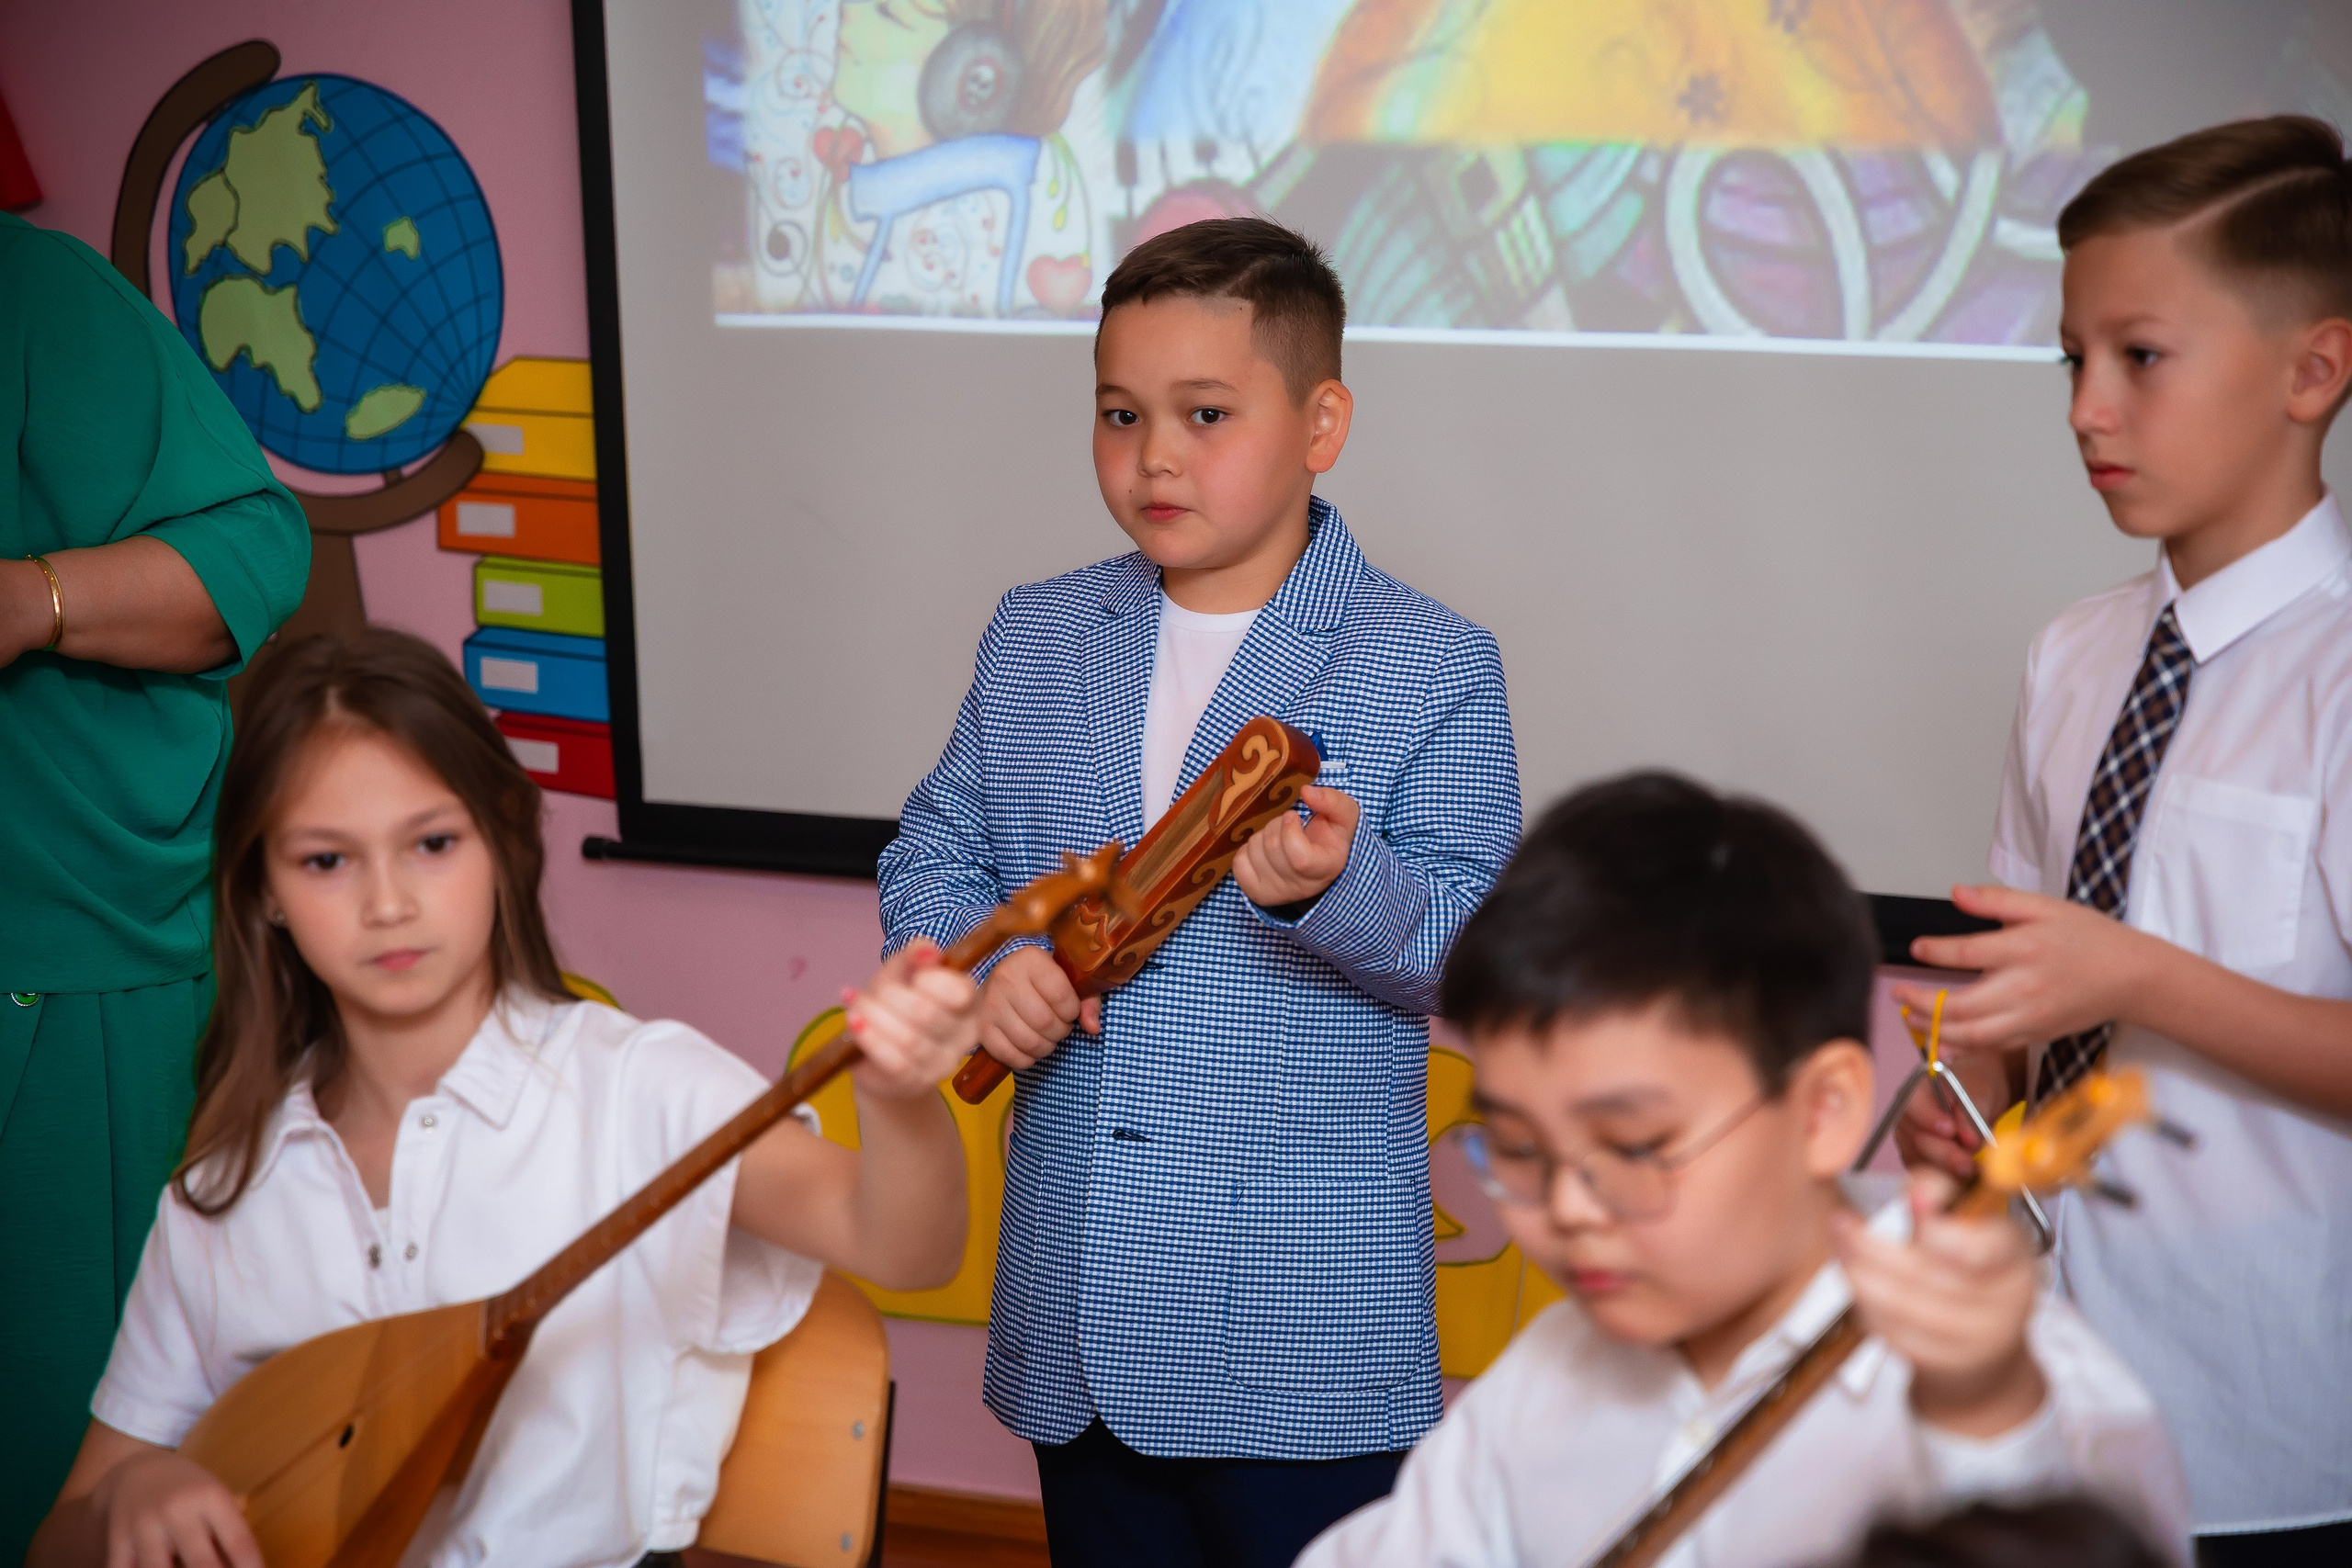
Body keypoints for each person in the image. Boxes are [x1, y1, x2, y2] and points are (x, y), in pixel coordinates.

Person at [26, 628, 978, 1568]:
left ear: (504, 839)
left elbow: (904, 1246)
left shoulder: (638, 1092)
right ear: (262, 889)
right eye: (326, 861)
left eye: (432, 843)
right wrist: (128, 1495)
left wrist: (897, 1099)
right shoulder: (224, 1192)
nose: (388, 902)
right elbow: (59, 1537)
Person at [876, 216, 1521, 1566]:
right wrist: (994, 974)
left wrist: (1335, 887)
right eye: (1120, 412)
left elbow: (1487, 956)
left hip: (1306, 1340)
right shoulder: (1039, 629)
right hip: (1077, 1313)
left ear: (1322, 420)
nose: (1154, 453)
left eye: (1205, 412)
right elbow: (932, 852)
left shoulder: (1435, 661)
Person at [1299, 773, 2189, 1568]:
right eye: (1521, 1151)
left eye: (1634, 1147)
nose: (1567, 1209)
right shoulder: (1547, 1377)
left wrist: (1985, 1427)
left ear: (1823, 1110)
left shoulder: (2031, 1395)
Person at [1888, 116, 2352, 1565]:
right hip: (2042, 1382)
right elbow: (2025, 983)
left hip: (2269, 1426)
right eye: (2072, 361)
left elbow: (2113, 973)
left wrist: (2135, 977)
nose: (2088, 409)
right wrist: (1968, 1089)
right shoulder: (2077, 654)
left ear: (2313, 369)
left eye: (2140, 357)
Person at [0, 209, 311, 1561]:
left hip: (60, 962)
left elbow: (252, 544)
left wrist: (34, 598)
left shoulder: (30, 297)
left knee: (76, 1449)